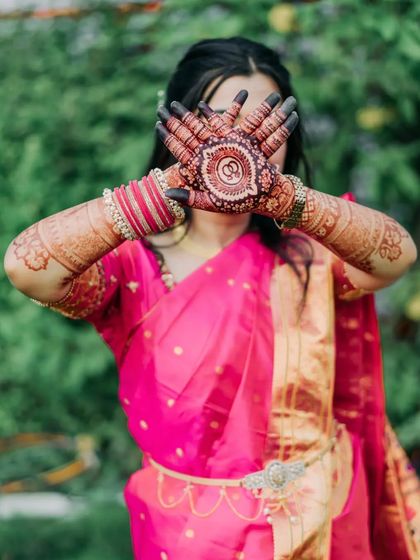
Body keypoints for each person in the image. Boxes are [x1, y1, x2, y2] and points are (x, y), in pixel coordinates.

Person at [4, 37, 420, 559]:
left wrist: (287, 198)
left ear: (286, 139)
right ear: (175, 130)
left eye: (261, 129)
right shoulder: (133, 263)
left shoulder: (311, 251)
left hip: (322, 522)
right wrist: (156, 193)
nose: (238, 141)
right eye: (217, 120)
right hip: (188, 533)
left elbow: (397, 256)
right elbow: (26, 267)